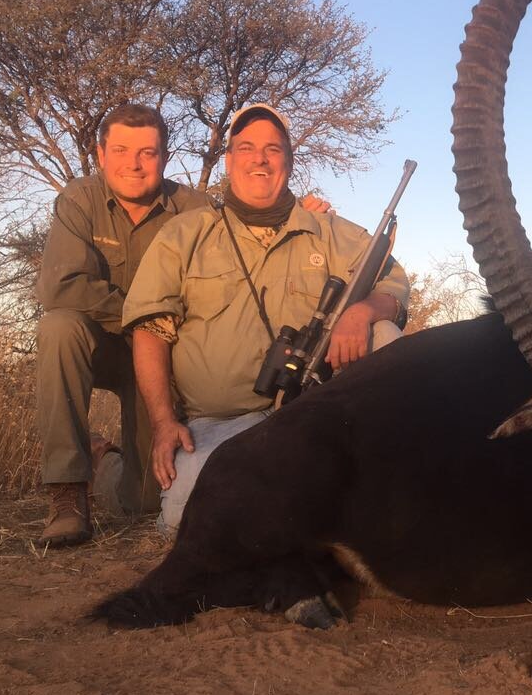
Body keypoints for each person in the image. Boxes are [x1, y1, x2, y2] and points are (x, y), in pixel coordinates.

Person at [35, 103, 328, 548]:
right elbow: (61, 288)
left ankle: (103, 462)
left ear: (165, 158)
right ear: (100, 154)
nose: (134, 164)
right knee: (59, 327)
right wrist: (146, 320)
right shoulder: (78, 200)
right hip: (103, 345)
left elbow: (246, 234)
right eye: (121, 150)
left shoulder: (192, 207)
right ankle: (66, 492)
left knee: (148, 500)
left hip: (157, 360)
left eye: (148, 153)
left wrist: (298, 216)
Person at [122, 103, 408, 535]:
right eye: (247, 148)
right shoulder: (185, 234)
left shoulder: (332, 232)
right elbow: (149, 331)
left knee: (383, 332)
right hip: (217, 427)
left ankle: (392, 478)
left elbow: (393, 286)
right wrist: (164, 424)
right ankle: (110, 466)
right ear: (230, 160)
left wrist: (361, 311)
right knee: (188, 521)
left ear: (289, 163)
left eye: (273, 150)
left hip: (312, 415)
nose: (260, 158)